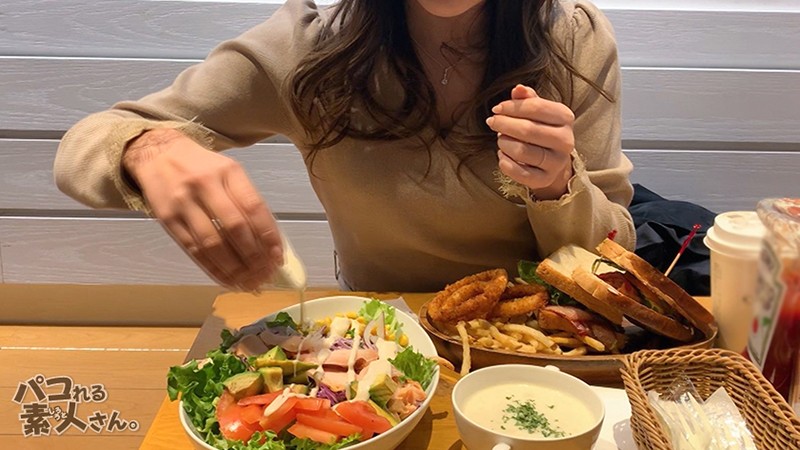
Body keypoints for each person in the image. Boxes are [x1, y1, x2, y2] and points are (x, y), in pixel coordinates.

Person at [53, 0, 635, 293]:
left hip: (542, 345)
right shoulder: (308, 49)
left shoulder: (573, 40)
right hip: (379, 340)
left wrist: (558, 187)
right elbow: (88, 141)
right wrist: (150, 148)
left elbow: (614, 254)